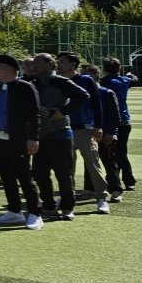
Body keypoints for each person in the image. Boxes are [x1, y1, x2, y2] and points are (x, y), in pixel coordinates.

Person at [0, 54, 44, 230]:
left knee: (25, 177)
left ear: (9, 69)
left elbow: (35, 116)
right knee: (7, 177)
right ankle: (14, 211)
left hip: (18, 140)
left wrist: (33, 138)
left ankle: (35, 213)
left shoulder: (26, 87)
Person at [29, 53, 90, 221]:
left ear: (50, 64)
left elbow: (83, 96)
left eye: (37, 63)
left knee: (64, 174)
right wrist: (37, 108)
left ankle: (67, 207)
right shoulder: (32, 84)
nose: (33, 66)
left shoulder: (61, 82)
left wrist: (62, 111)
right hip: (39, 135)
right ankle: (48, 206)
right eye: (33, 64)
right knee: (40, 174)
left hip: (60, 134)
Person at [58, 52, 110, 215]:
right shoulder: (58, 82)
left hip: (85, 128)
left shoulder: (86, 80)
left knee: (93, 164)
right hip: (64, 129)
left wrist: (98, 125)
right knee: (67, 167)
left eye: (62, 62)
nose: (58, 64)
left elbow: (96, 103)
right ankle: (67, 197)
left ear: (72, 64)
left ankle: (101, 198)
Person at [85, 64, 124, 202]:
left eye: (86, 74)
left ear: (95, 76)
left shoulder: (106, 93)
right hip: (89, 134)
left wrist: (112, 132)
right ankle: (89, 189)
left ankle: (116, 190)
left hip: (105, 133)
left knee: (109, 162)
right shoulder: (83, 93)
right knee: (90, 162)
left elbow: (115, 115)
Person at [102, 57, 138, 191]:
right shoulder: (124, 80)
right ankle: (128, 181)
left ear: (104, 69)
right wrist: (129, 75)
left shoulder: (104, 82)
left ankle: (114, 180)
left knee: (112, 155)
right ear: (119, 68)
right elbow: (134, 79)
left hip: (111, 121)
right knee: (121, 152)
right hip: (125, 120)